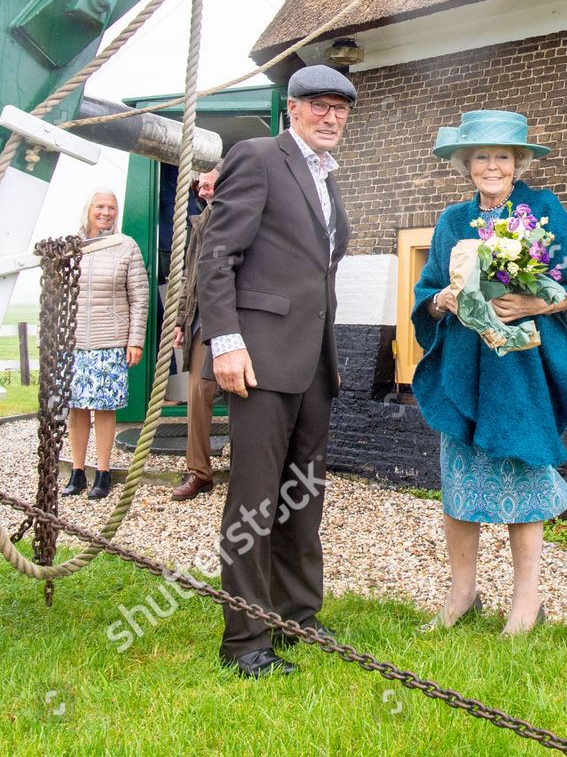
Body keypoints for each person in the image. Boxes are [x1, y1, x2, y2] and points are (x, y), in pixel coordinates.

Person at [411, 110, 567, 635]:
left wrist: (532, 303)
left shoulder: (542, 209)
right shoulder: (450, 222)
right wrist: (442, 298)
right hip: (466, 367)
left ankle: (526, 602)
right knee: (459, 484)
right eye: (481, 156)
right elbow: (427, 295)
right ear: (466, 164)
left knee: (525, 474)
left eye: (502, 157)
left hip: (523, 369)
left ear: (518, 164)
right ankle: (462, 594)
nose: (491, 166)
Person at [197, 65, 353, 678]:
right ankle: (245, 642)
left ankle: (297, 615)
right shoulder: (259, 156)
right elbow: (218, 257)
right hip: (258, 357)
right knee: (255, 499)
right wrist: (226, 343)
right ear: (290, 109)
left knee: (302, 496)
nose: (330, 117)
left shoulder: (328, 181)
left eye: (340, 108)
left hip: (314, 361)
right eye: (318, 105)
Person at [61, 189, 147, 501]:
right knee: (77, 407)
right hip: (75, 340)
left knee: (105, 407)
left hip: (110, 339)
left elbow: (139, 296)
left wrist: (135, 339)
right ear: (89, 209)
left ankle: (104, 471)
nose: (106, 212)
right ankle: (77, 470)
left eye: (111, 207)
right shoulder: (72, 247)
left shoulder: (127, 247)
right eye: (100, 206)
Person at [170, 166, 221, 501]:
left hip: (240, 321)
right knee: (200, 395)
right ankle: (199, 471)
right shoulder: (199, 223)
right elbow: (190, 277)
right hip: (204, 323)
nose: (202, 189)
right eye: (198, 185)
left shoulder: (241, 212)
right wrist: (180, 319)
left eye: (208, 182)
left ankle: (252, 468)